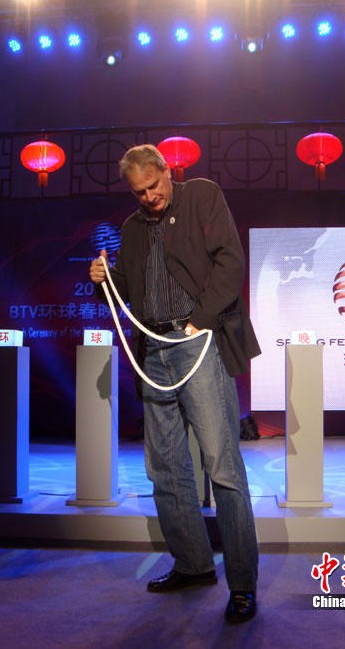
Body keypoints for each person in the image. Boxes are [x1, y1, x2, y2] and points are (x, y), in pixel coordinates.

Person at [89, 144, 261, 623]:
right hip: (154, 351)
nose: (149, 197)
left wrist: (199, 320)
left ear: (167, 170)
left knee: (221, 466)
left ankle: (242, 584)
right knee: (164, 467)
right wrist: (105, 279)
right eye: (139, 192)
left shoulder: (201, 195)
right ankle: (192, 564)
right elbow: (128, 292)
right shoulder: (131, 227)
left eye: (153, 186)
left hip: (197, 342)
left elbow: (230, 261)